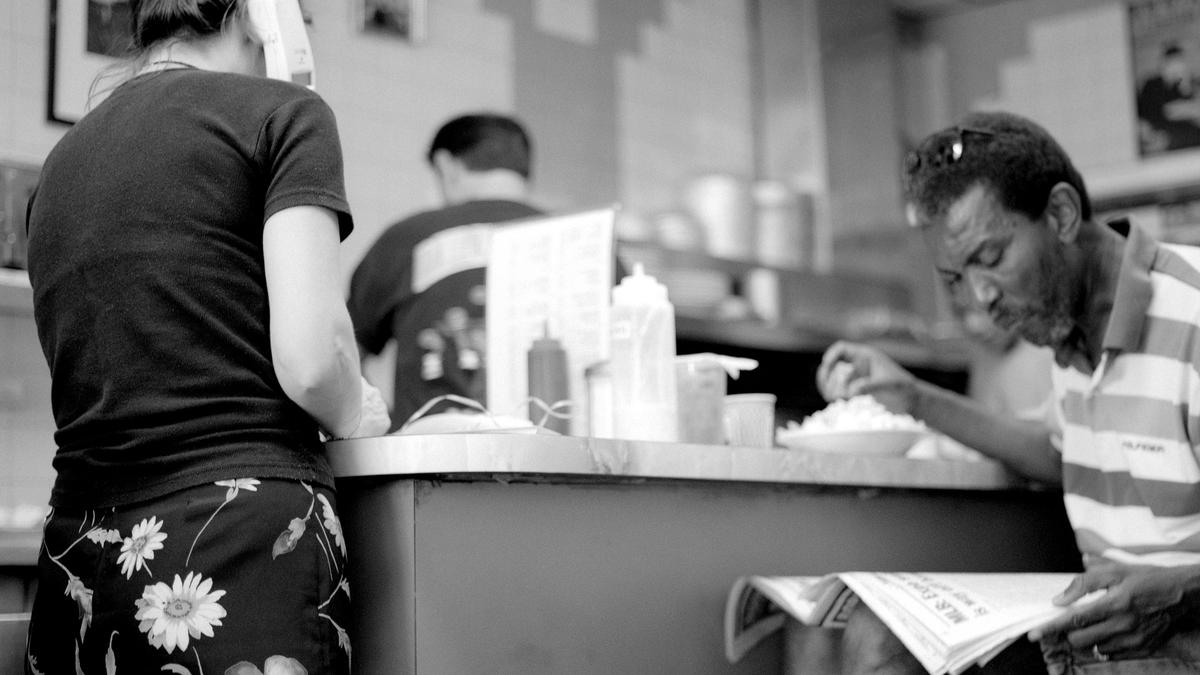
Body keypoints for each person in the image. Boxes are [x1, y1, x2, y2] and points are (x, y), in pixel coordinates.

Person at [23, 1, 389, 672]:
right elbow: (313, 363)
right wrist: (358, 406)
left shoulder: (59, 165)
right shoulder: (283, 113)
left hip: (78, 555)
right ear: (265, 14)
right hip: (236, 542)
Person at [816, 111, 1200, 673]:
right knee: (858, 632)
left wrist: (1174, 594)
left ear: (1062, 214)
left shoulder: (1189, 315)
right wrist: (914, 396)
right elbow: (1058, 452)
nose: (979, 297)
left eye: (990, 258)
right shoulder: (1072, 332)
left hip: (1176, 640)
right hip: (1106, 643)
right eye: (954, 278)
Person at [347, 112, 545, 429]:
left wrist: (380, 425)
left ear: (446, 166)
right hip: (562, 456)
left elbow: (343, 353)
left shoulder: (410, 238)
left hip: (433, 461)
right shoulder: (587, 239)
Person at [1136, 42, 1200, 154]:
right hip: (1160, 131)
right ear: (1164, 64)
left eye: (1180, 62)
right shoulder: (1152, 84)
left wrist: (1185, 85)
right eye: (1173, 62)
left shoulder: (1188, 83)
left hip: (1186, 133)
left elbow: (1193, 110)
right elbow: (1163, 111)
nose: (1177, 67)